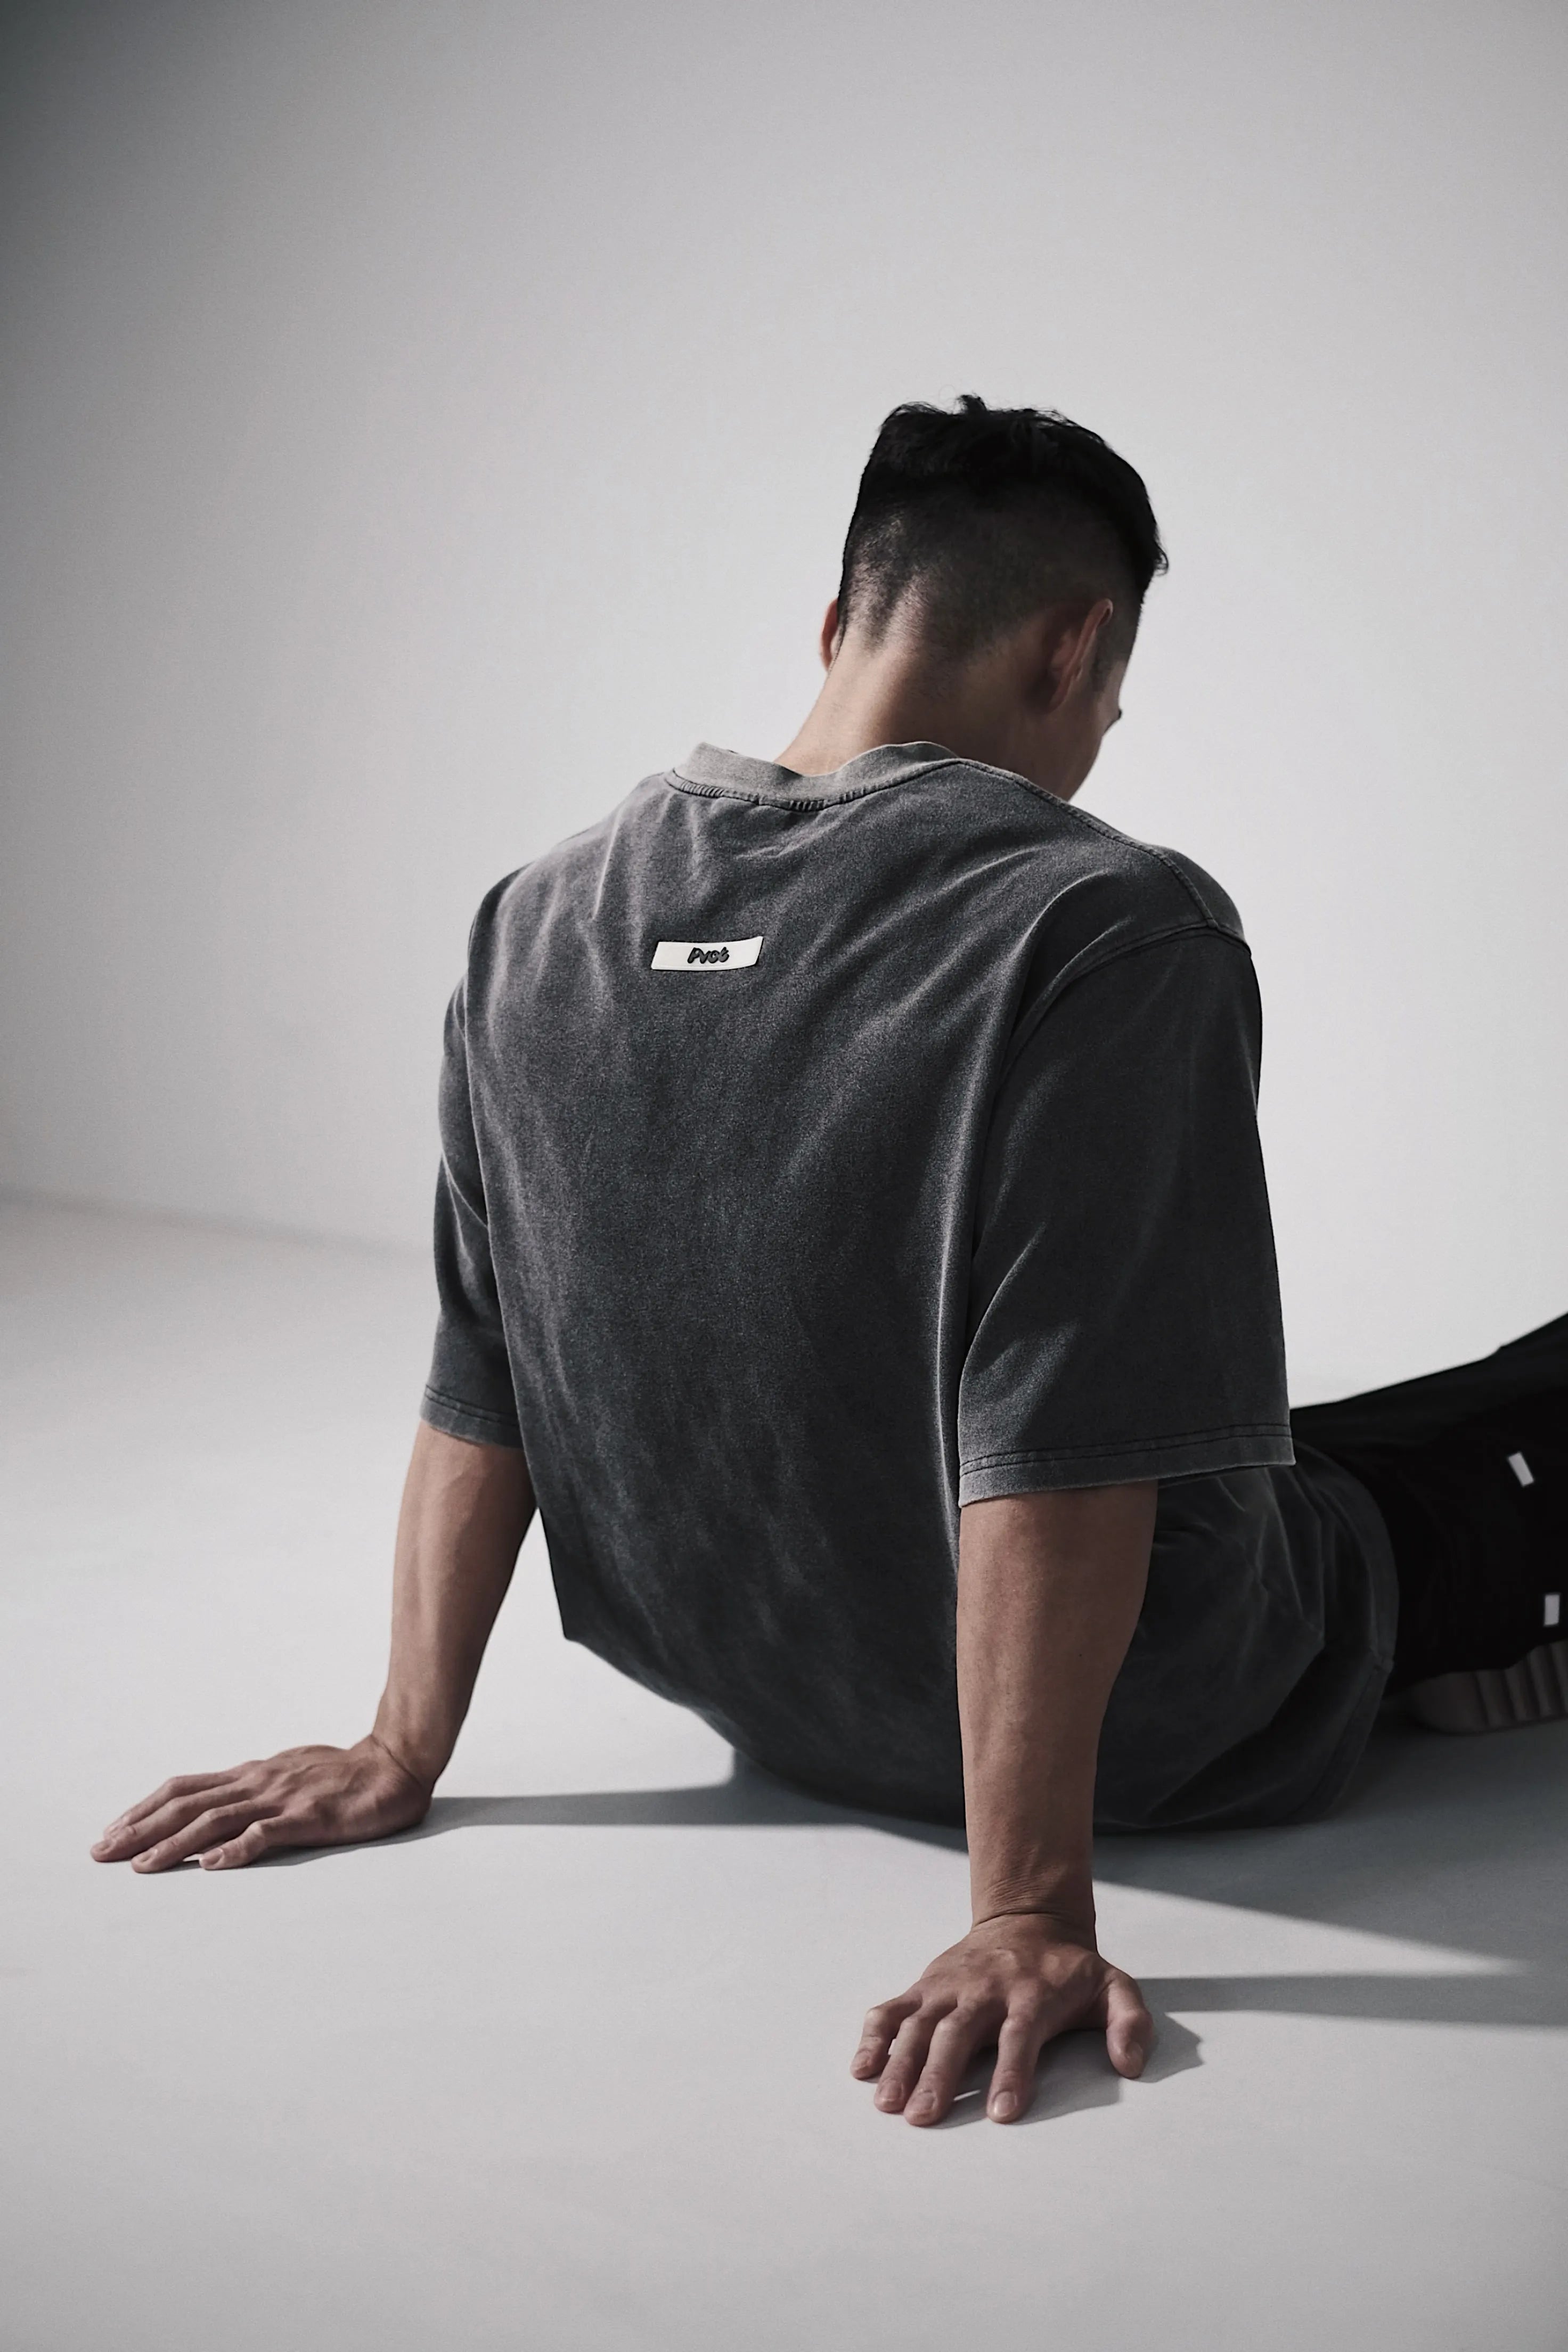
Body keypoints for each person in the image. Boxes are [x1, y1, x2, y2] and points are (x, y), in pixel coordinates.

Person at [92, 397, 1568, 2128]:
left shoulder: (533, 923)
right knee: (1425, 1476)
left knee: (1313, 1442)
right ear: (1074, 647)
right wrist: (1026, 1909)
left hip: (768, 1694)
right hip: (1180, 1717)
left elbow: (481, 1369)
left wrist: (399, 1744)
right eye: (1111, 694)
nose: (1103, 733)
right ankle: (1446, 1623)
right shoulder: (1100, 927)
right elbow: (1071, 1444)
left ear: (836, 623)